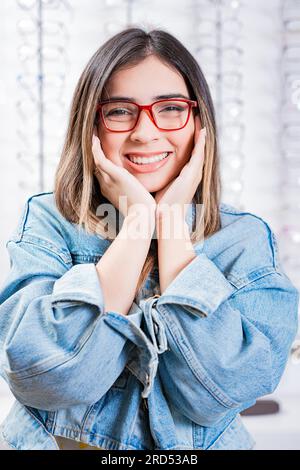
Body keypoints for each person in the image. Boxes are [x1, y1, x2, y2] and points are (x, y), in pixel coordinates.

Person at [0, 26, 298, 451]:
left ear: (199, 124)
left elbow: (222, 391)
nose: (145, 132)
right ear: (92, 126)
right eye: (120, 111)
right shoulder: (48, 222)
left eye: (171, 108)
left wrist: (171, 223)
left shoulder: (244, 239)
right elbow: (50, 378)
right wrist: (139, 222)